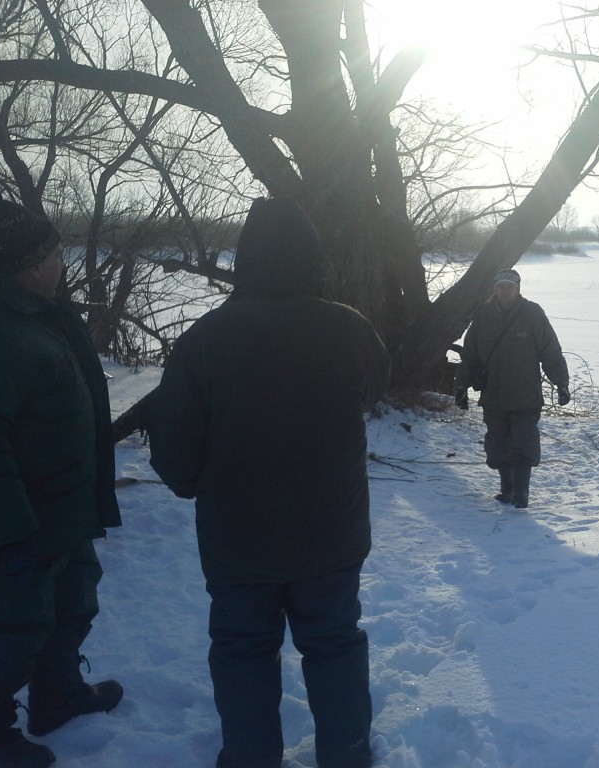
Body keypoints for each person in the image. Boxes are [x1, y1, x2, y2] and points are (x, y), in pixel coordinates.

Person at [147, 197, 390, 768]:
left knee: (243, 650)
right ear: (311, 258)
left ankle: (250, 757)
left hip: (239, 540)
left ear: (246, 260)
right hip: (331, 535)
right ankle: (347, 755)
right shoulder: (349, 327)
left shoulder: (205, 338)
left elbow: (173, 450)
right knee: (334, 644)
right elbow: (374, 389)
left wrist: (201, 482)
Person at [0, 187, 123, 768]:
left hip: (62, 509)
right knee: (12, 628)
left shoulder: (39, 312)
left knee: (71, 604)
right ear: (30, 263)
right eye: (56, 254)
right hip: (21, 520)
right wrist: (11, 532)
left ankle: (57, 695)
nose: (63, 263)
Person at [455, 269, 570, 510]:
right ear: (495, 289)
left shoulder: (532, 313)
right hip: (493, 394)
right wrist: (461, 386)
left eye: (510, 287)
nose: (505, 291)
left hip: (525, 393)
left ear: (518, 289)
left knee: (524, 441)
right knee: (497, 443)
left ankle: (521, 492)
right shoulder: (484, 314)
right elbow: (470, 354)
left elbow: (550, 351)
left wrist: (561, 383)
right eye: (501, 287)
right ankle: (506, 488)